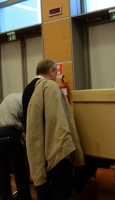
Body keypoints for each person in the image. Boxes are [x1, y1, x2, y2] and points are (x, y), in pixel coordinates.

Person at [23, 59, 85, 200]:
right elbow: (57, 120)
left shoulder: (27, 89)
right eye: (56, 71)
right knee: (64, 185)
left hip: (37, 147)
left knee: (44, 186)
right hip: (54, 145)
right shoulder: (49, 86)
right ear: (51, 71)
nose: (57, 75)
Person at [0, 93, 32, 200]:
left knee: (3, 173)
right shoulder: (28, 100)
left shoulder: (14, 96)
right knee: (20, 173)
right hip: (11, 135)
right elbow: (28, 123)